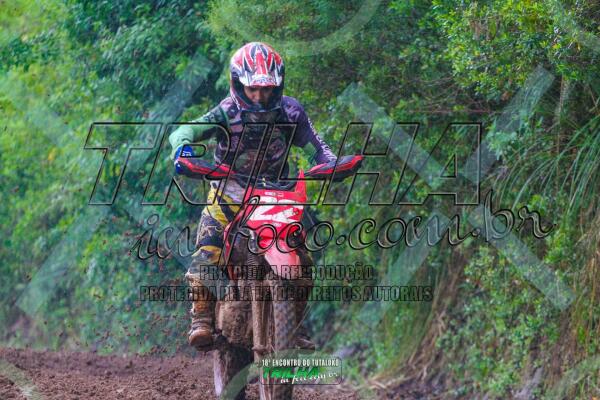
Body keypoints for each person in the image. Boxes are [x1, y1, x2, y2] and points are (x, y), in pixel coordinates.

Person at [169, 42, 337, 349]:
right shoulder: (226, 112)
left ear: (278, 85)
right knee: (208, 248)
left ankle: (293, 326)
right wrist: (184, 150)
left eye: (267, 89)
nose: (260, 96)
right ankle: (202, 317)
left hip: (276, 196)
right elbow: (184, 131)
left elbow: (317, 146)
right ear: (238, 84)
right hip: (228, 194)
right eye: (253, 89)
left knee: (303, 258)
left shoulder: (291, 111)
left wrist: (330, 162)